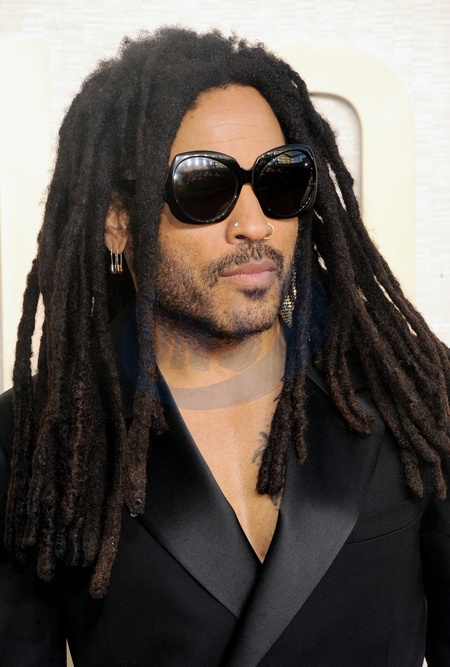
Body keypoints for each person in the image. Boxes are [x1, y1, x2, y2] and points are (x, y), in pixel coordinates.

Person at [0, 26, 449, 667]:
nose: (255, 225)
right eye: (206, 187)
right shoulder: (35, 440)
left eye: (281, 180)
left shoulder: (411, 400)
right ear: (118, 219)